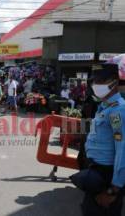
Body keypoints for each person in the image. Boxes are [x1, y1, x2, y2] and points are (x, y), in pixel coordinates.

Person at [70, 63, 125, 216]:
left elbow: (123, 151)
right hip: (96, 173)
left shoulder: (118, 110)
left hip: (108, 176)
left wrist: (113, 190)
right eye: (94, 81)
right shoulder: (105, 107)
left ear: (113, 82)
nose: (95, 85)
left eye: (100, 81)